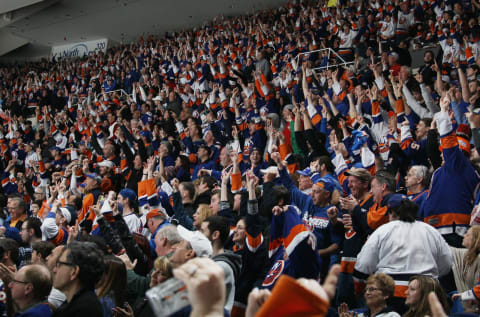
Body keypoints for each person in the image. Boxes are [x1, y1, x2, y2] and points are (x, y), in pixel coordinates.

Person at [354, 197, 453, 313]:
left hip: (391, 293)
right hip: (426, 292)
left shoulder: (383, 230)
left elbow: (363, 266)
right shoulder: (430, 231)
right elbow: (447, 263)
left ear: (392, 213)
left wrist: (359, 289)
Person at [52, 241, 105, 317]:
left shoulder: (85, 310)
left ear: (74, 272)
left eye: (59, 264)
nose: (54, 270)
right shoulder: (78, 304)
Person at [450, 226, 480, 312]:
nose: (464, 235)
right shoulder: (466, 255)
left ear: (476, 239)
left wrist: (467, 295)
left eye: (467, 234)